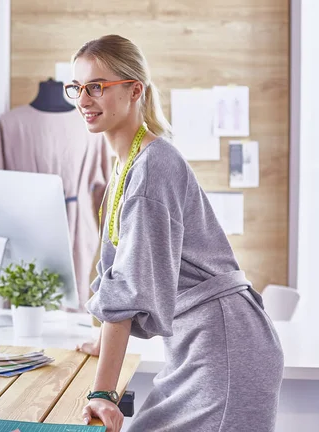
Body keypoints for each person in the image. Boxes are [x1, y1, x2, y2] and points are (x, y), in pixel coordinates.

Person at [67, 35, 284, 432]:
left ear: (135, 90)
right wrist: (102, 344)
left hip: (225, 348)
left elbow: (127, 288)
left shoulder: (153, 166)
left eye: (97, 86)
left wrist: (102, 392)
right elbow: (115, 270)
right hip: (197, 346)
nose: (84, 99)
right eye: (77, 87)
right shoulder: (125, 164)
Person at [0, 78, 113, 311]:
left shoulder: (91, 125)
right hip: (26, 226)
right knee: (25, 303)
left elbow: (105, 193)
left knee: (71, 304)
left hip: (76, 227)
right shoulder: (10, 123)